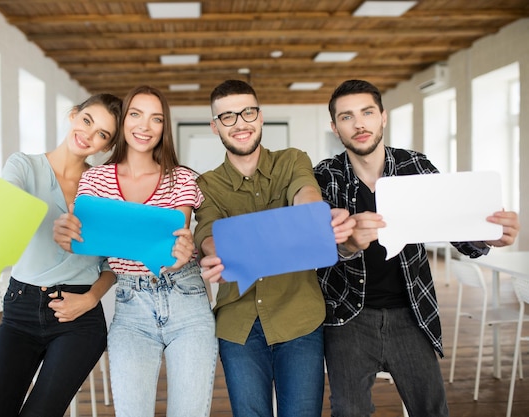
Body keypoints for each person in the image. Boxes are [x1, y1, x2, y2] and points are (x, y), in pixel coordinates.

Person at [314, 79, 521, 417]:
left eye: (367, 112)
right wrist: (348, 245)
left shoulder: (416, 167)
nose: (359, 124)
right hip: (347, 315)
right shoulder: (324, 177)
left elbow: (457, 230)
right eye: (347, 117)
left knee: (431, 409)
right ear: (335, 127)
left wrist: (487, 237)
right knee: (349, 411)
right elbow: (318, 256)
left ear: (383, 117)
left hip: (412, 312)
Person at [0, 93, 123, 417]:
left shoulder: (103, 187)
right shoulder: (23, 166)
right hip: (20, 310)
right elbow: (3, 209)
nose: (89, 135)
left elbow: (112, 264)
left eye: (102, 134)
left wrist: (91, 298)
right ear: (73, 115)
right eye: (87, 121)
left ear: (107, 147)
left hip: (78, 315)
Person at [53, 85, 218, 417]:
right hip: (131, 306)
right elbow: (88, 246)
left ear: (164, 128)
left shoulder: (183, 179)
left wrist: (183, 251)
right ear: (123, 121)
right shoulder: (94, 181)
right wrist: (66, 235)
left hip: (187, 299)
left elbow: (175, 246)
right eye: (136, 115)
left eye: (156, 119)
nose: (145, 126)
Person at [195, 79, 354, 417]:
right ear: (215, 127)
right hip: (238, 322)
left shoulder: (292, 159)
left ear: (261, 116)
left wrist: (313, 217)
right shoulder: (206, 184)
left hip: (299, 316)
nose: (240, 123)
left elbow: (305, 192)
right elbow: (207, 232)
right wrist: (214, 251)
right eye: (227, 117)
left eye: (248, 112)